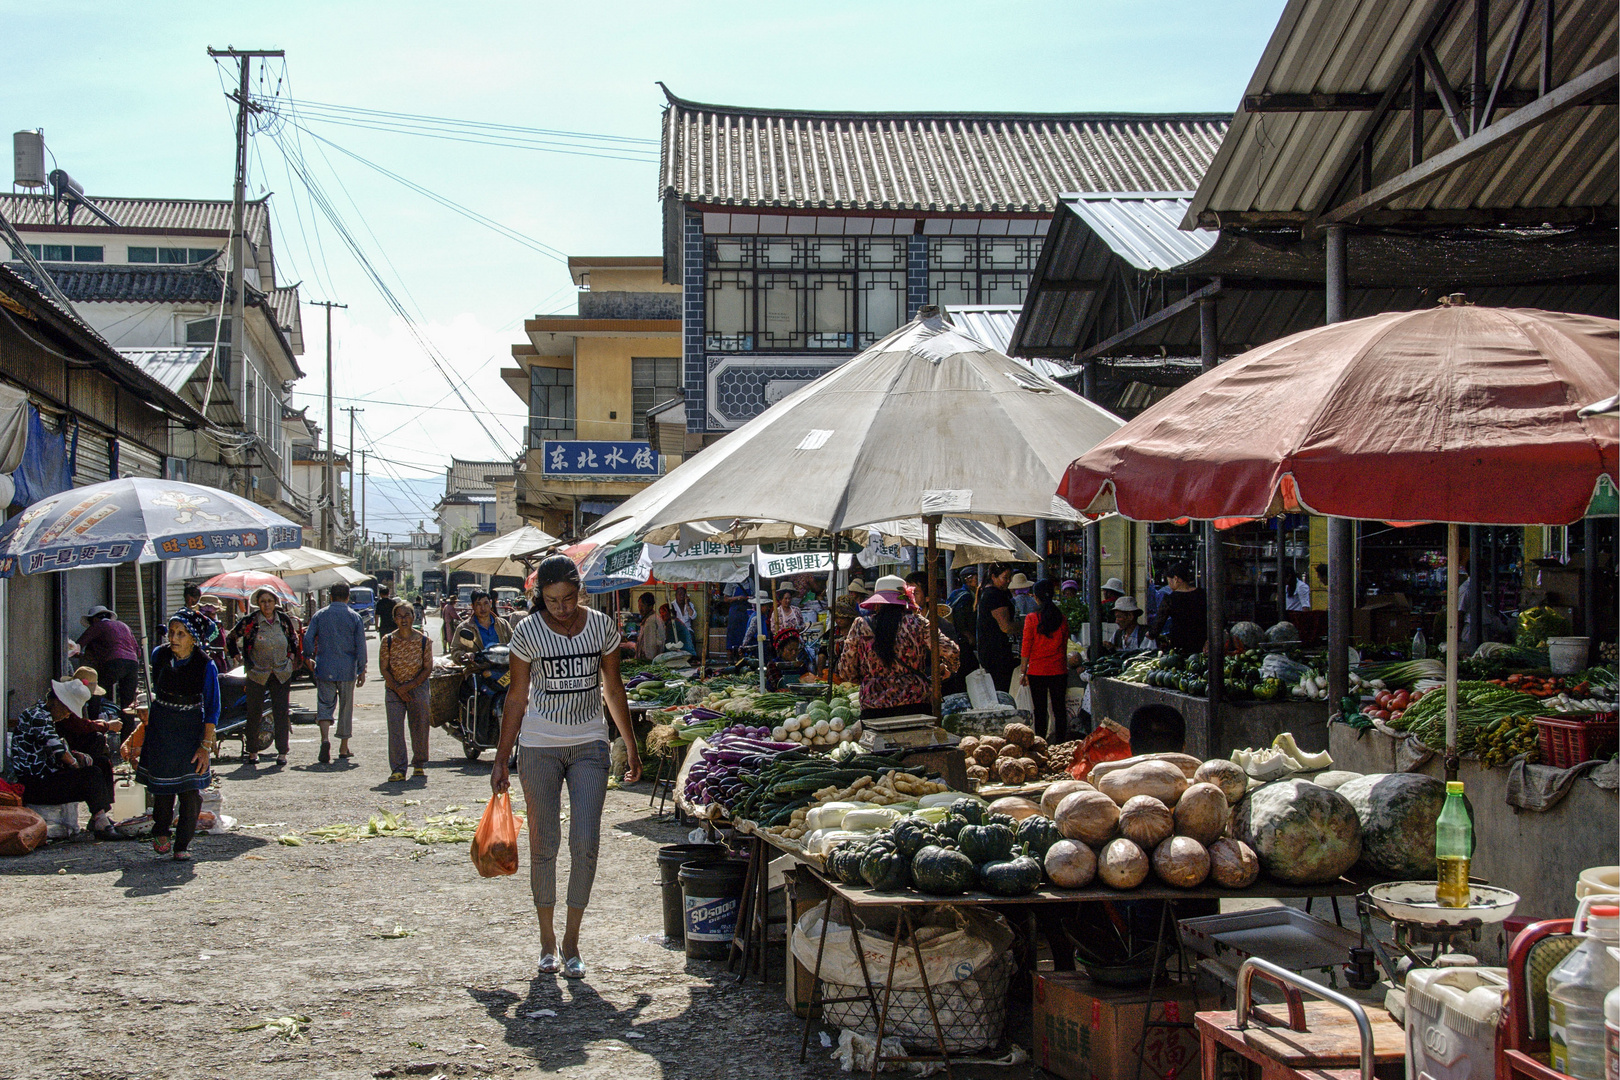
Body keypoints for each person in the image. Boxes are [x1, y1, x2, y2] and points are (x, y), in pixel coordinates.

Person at [493, 554, 641, 980]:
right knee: (545, 845)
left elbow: (612, 688)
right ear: (541, 597)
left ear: (580, 591)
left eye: (570, 598)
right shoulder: (527, 632)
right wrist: (502, 758)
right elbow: (517, 698)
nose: (562, 607)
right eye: (554, 600)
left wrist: (629, 746)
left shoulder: (600, 627)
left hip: (590, 744)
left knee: (585, 843)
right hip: (539, 746)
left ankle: (572, 940)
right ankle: (546, 941)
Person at [123, 610, 220, 860]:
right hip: (162, 727)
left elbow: (212, 708)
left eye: (181, 633)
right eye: (172, 632)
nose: (174, 638)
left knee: (190, 791)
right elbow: (157, 688)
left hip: (190, 730)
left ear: (193, 639)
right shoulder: (159, 655)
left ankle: (182, 845)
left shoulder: (205, 665)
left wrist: (205, 747)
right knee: (163, 788)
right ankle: (161, 829)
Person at [837, 575, 959, 718]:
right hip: (916, 703)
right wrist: (948, 669)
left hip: (874, 705)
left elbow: (846, 670)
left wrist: (869, 680)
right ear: (905, 601)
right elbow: (951, 651)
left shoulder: (861, 625)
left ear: (877, 603)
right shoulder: (918, 623)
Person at [12, 678, 117, 838]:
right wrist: (76, 765)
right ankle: (101, 823)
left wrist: (77, 756)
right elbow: (58, 750)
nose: (67, 715)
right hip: (36, 783)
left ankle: (100, 815)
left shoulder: (46, 716)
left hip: (48, 775)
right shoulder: (37, 716)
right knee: (91, 774)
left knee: (101, 763)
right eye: (67, 710)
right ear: (57, 702)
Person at [225, 587, 305, 767]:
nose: (266, 605)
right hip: (257, 673)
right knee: (254, 713)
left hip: (280, 673)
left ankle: (282, 752)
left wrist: (291, 658)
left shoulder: (283, 620)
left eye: (269, 601)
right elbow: (231, 638)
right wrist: (237, 655)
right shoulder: (251, 621)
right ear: (258, 603)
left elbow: (293, 640)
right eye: (263, 601)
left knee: (281, 713)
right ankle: (253, 751)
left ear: (275, 603)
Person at [304, 583, 367, 764]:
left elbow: (308, 638)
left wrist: (308, 656)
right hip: (347, 669)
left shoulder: (320, 615)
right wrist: (362, 668)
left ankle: (325, 740)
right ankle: (343, 747)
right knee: (345, 708)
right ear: (348, 597)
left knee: (324, 705)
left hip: (325, 668)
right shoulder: (354, 617)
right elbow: (360, 645)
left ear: (330, 596)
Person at [380, 600, 434, 783]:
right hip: (394, 690)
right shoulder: (387, 640)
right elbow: (384, 668)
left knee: (420, 726)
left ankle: (418, 763)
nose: (403, 619)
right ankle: (398, 768)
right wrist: (397, 688)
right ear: (394, 619)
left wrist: (409, 686)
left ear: (414, 617)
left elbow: (427, 668)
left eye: (407, 615)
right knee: (395, 729)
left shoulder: (424, 640)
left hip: (417, 688)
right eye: (399, 616)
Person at [1019, 580, 1070, 740]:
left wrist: (1023, 671)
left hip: (1037, 671)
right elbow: (1064, 644)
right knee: (1059, 709)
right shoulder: (1061, 618)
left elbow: (1026, 646)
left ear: (1036, 597)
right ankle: (1061, 742)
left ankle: (1041, 742)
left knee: (1040, 711)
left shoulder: (1032, 618)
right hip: (1059, 670)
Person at [76, 605, 141, 713]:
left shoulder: (98, 625)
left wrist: (76, 653)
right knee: (128, 704)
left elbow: (78, 645)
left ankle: (94, 724)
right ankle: (128, 728)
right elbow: (138, 651)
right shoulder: (124, 626)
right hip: (133, 663)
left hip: (114, 662)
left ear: (95, 619)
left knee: (96, 691)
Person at [975, 564, 1018, 693]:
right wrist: (1026, 624)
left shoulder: (988, 592)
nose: (1009, 581)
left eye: (1010, 577)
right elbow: (1006, 627)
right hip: (997, 653)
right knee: (1001, 689)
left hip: (990, 651)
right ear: (993, 577)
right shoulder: (994, 595)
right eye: (1005, 577)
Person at [1149, 562, 1208, 655]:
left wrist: (1150, 634)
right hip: (1201, 643)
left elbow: (1158, 624)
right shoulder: (1202, 594)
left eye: (1169, 582)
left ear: (1176, 579)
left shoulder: (1170, 598)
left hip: (1180, 644)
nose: (1169, 586)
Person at [452, 590, 513, 665]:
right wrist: (465, 655)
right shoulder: (464, 627)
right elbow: (455, 651)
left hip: (503, 669)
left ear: (490, 603)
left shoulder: (503, 624)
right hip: (477, 670)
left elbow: (515, 644)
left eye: (486, 603)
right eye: (478, 604)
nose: (483, 608)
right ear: (472, 606)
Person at [947, 568, 980, 677]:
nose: (978, 580)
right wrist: (967, 634)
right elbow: (960, 617)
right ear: (968, 580)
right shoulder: (965, 596)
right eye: (976, 577)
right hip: (963, 638)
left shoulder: (957, 593)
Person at [633, 592, 666, 661]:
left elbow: (650, 647)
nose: (640, 608)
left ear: (650, 606)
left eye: (642, 606)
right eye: (639, 605)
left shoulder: (651, 621)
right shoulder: (651, 618)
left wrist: (647, 662)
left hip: (649, 662)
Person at [724, 584, 754, 661]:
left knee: (746, 633)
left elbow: (754, 596)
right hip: (735, 612)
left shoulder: (749, 581)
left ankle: (744, 657)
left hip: (747, 612)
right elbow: (726, 599)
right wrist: (738, 598)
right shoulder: (731, 582)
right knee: (732, 634)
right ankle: (730, 657)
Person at [669, 585, 698, 654]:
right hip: (676, 630)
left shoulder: (690, 604)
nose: (681, 596)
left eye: (683, 594)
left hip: (687, 629)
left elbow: (693, 616)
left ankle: (692, 657)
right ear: (676, 595)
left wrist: (687, 604)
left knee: (690, 636)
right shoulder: (671, 605)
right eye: (679, 594)